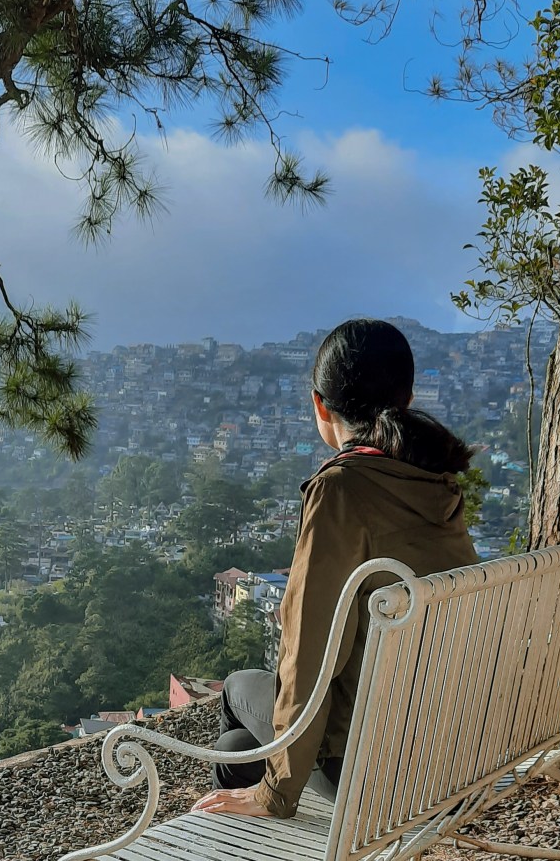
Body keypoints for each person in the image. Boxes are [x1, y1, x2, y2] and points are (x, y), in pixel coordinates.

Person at [192, 318, 478, 819]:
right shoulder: (437, 484)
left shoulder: (342, 490)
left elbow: (309, 655)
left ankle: (243, 827)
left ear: (320, 406)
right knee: (240, 747)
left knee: (239, 688)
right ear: (407, 399)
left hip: (377, 768)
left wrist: (276, 793)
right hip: (455, 752)